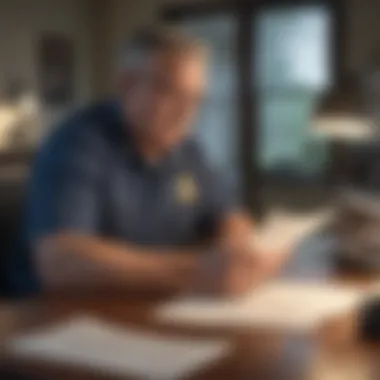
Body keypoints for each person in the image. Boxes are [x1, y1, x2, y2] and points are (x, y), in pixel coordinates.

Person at [10, 27, 288, 297]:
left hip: (155, 308)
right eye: (170, 93)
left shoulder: (188, 151)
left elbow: (229, 215)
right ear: (127, 84)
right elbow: (60, 262)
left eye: (194, 100)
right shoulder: (76, 144)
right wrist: (197, 271)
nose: (186, 113)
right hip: (57, 322)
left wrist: (238, 252)